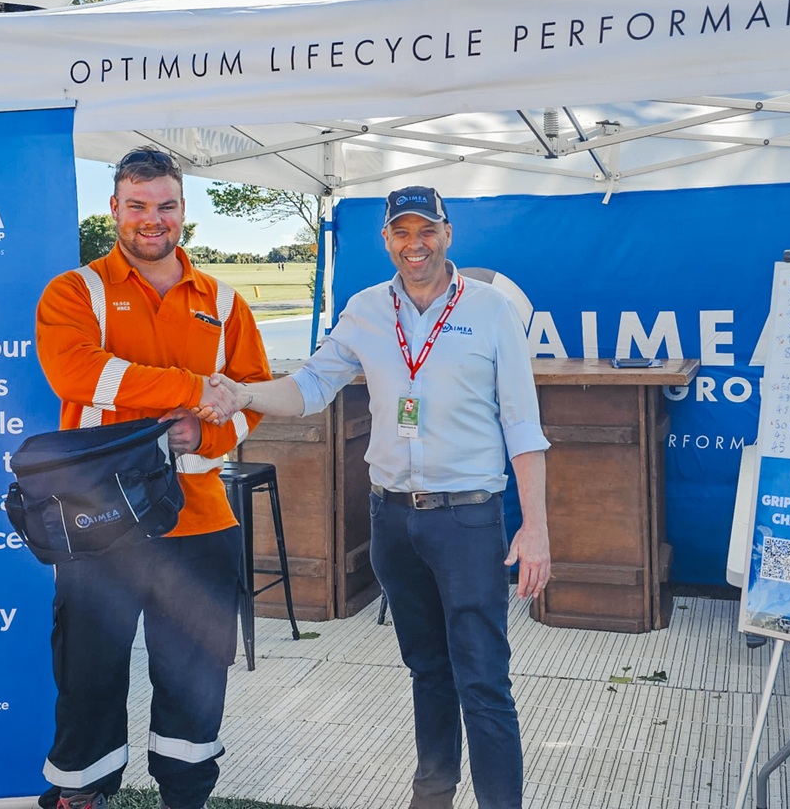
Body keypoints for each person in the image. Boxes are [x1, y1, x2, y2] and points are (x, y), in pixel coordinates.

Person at [205, 185, 549, 809]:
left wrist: (536, 529)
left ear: (448, 233)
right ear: (386, 239)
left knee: (484, 681)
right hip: (393, 519)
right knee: (427, 671)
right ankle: (432, 796)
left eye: (427, 231)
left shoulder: (492, 309)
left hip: (469, 519)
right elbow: (311, 386)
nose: (415, 245)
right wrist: (245, 395)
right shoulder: (366, 309)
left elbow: (522, 423)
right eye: (401, 233)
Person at [31, 146, 268, 809]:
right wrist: (193, 390)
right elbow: (80, 373)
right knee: (88, 675)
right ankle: (80, 794)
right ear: (114, 209)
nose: (152, 219)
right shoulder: (75, 292)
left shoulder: (224, 303)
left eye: (165, 206)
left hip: (200, 519)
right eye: (137, 206)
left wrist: (205, 429)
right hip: (98, 523)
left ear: (183, 210)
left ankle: (185, 795)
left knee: (196, 679)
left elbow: (250, 399)